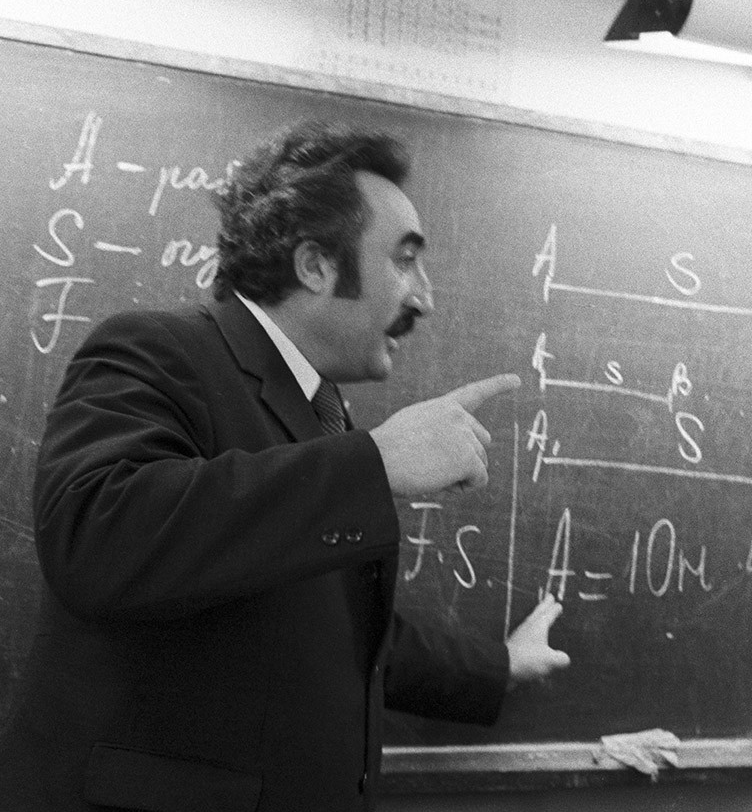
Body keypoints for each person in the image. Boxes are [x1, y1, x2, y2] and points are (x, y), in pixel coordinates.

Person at [0, 120, 570, 811]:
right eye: (404, 259)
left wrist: (498, 666)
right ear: (314, 265)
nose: (424, 296)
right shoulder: (155, 349)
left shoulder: (319, 409)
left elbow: (338, 630)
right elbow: (98, 533)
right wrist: (377, 460)